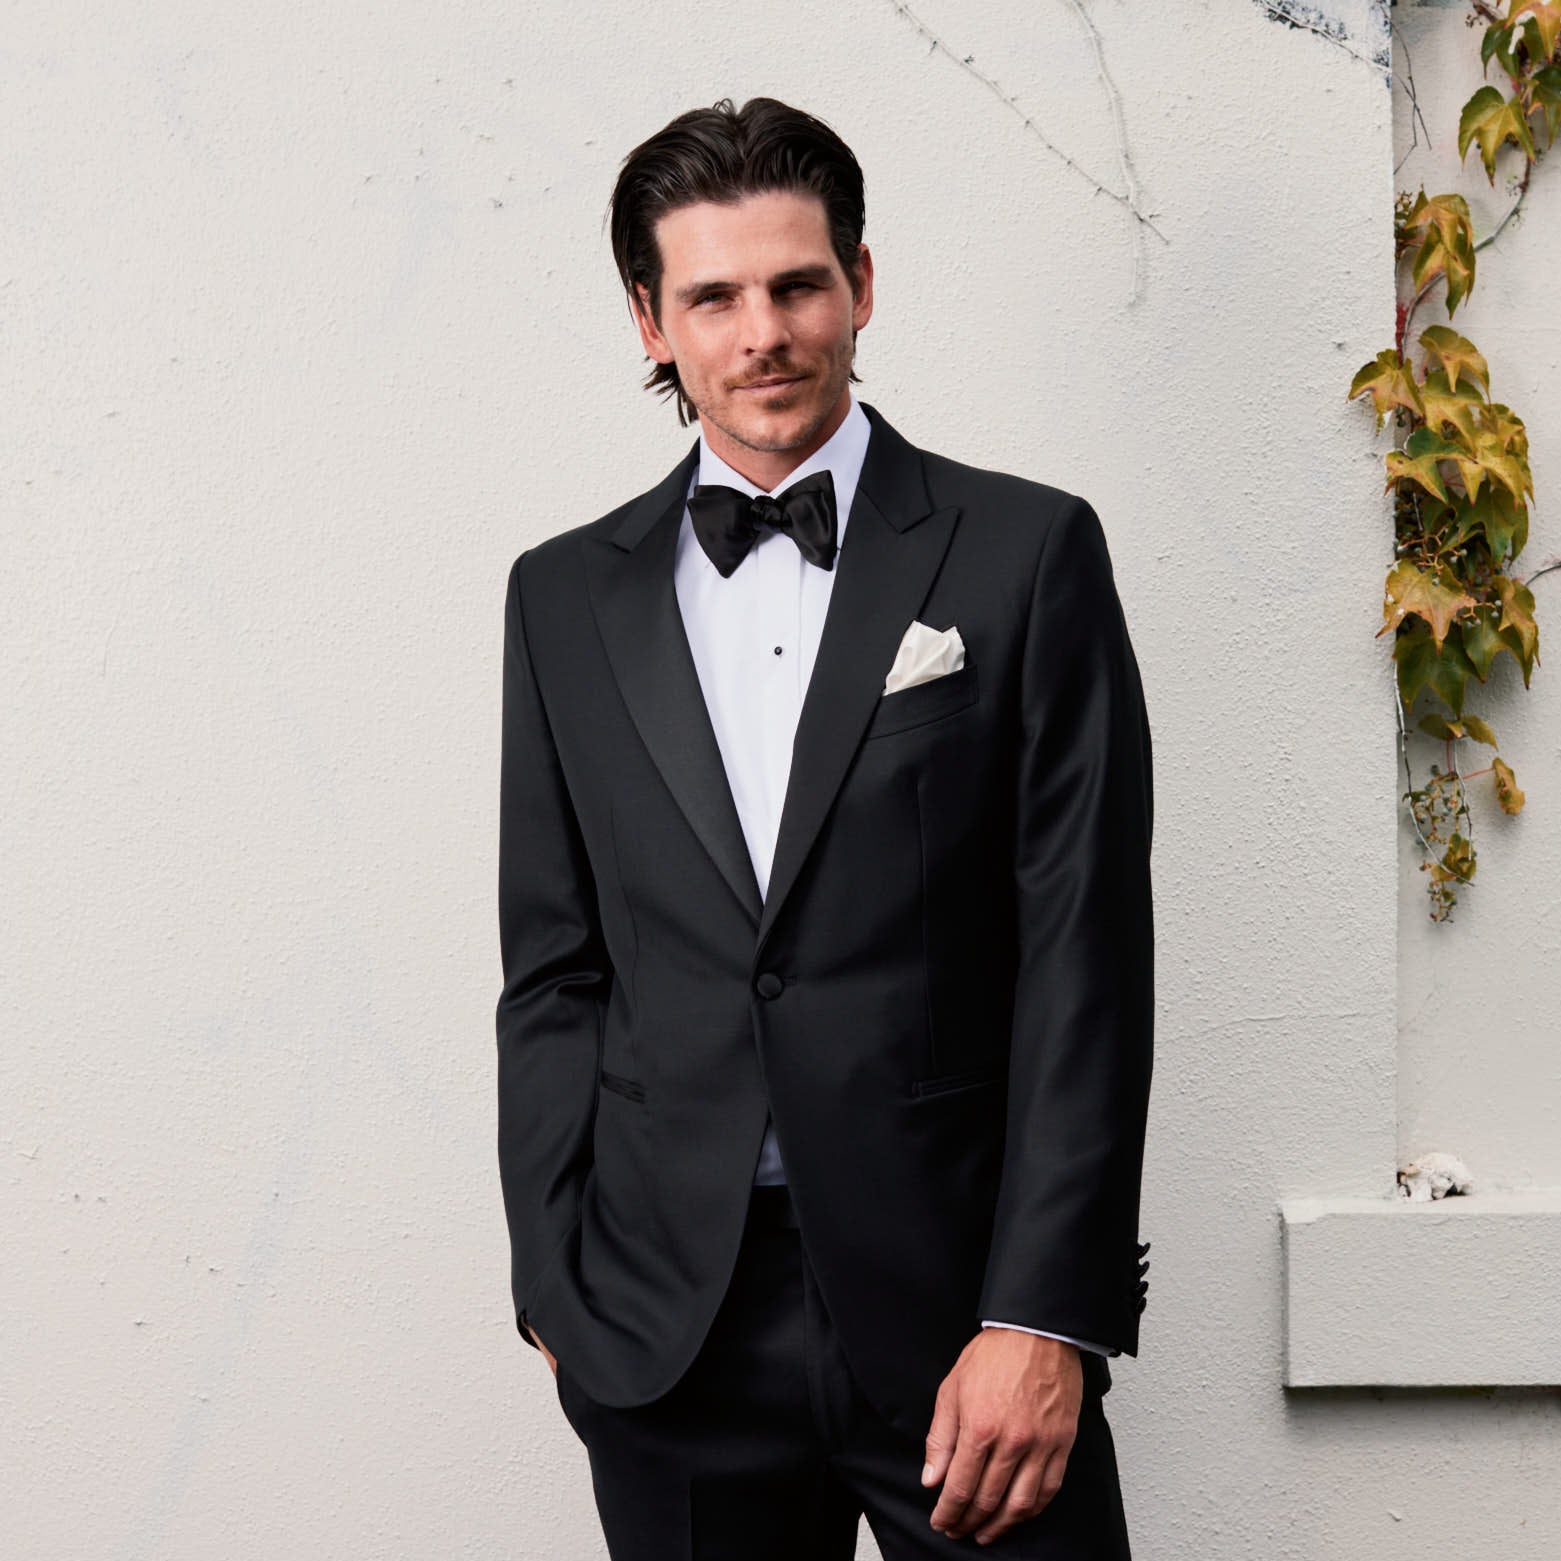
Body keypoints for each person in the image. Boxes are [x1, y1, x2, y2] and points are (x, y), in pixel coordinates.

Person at [496, 94, 1154, 1559]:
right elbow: (554, 967)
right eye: (713, 297)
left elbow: (1082, 958)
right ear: (650, 322)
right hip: (670, 1332)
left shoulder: (1026, 553)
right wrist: (555, 1274)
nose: (762, 332)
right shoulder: (561, 598)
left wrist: (1042, 1311)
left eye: (796, 284)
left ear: (859, 286)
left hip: (959, 1318)